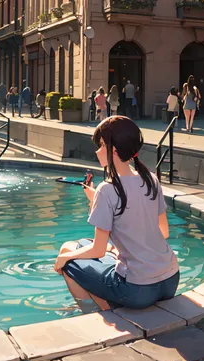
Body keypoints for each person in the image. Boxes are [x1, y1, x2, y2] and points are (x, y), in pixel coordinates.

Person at [54, 116, 179, 312]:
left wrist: (63, 260)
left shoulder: (107, 189)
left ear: (113, 149)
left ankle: (101, 310)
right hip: (170, 280)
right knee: (76, 246)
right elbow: (163, 231)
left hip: (138, 290)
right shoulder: (151, 179)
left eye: (101, 145)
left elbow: (98, 251)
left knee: (67, 258)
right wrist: (94, 200)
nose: (97, 150)